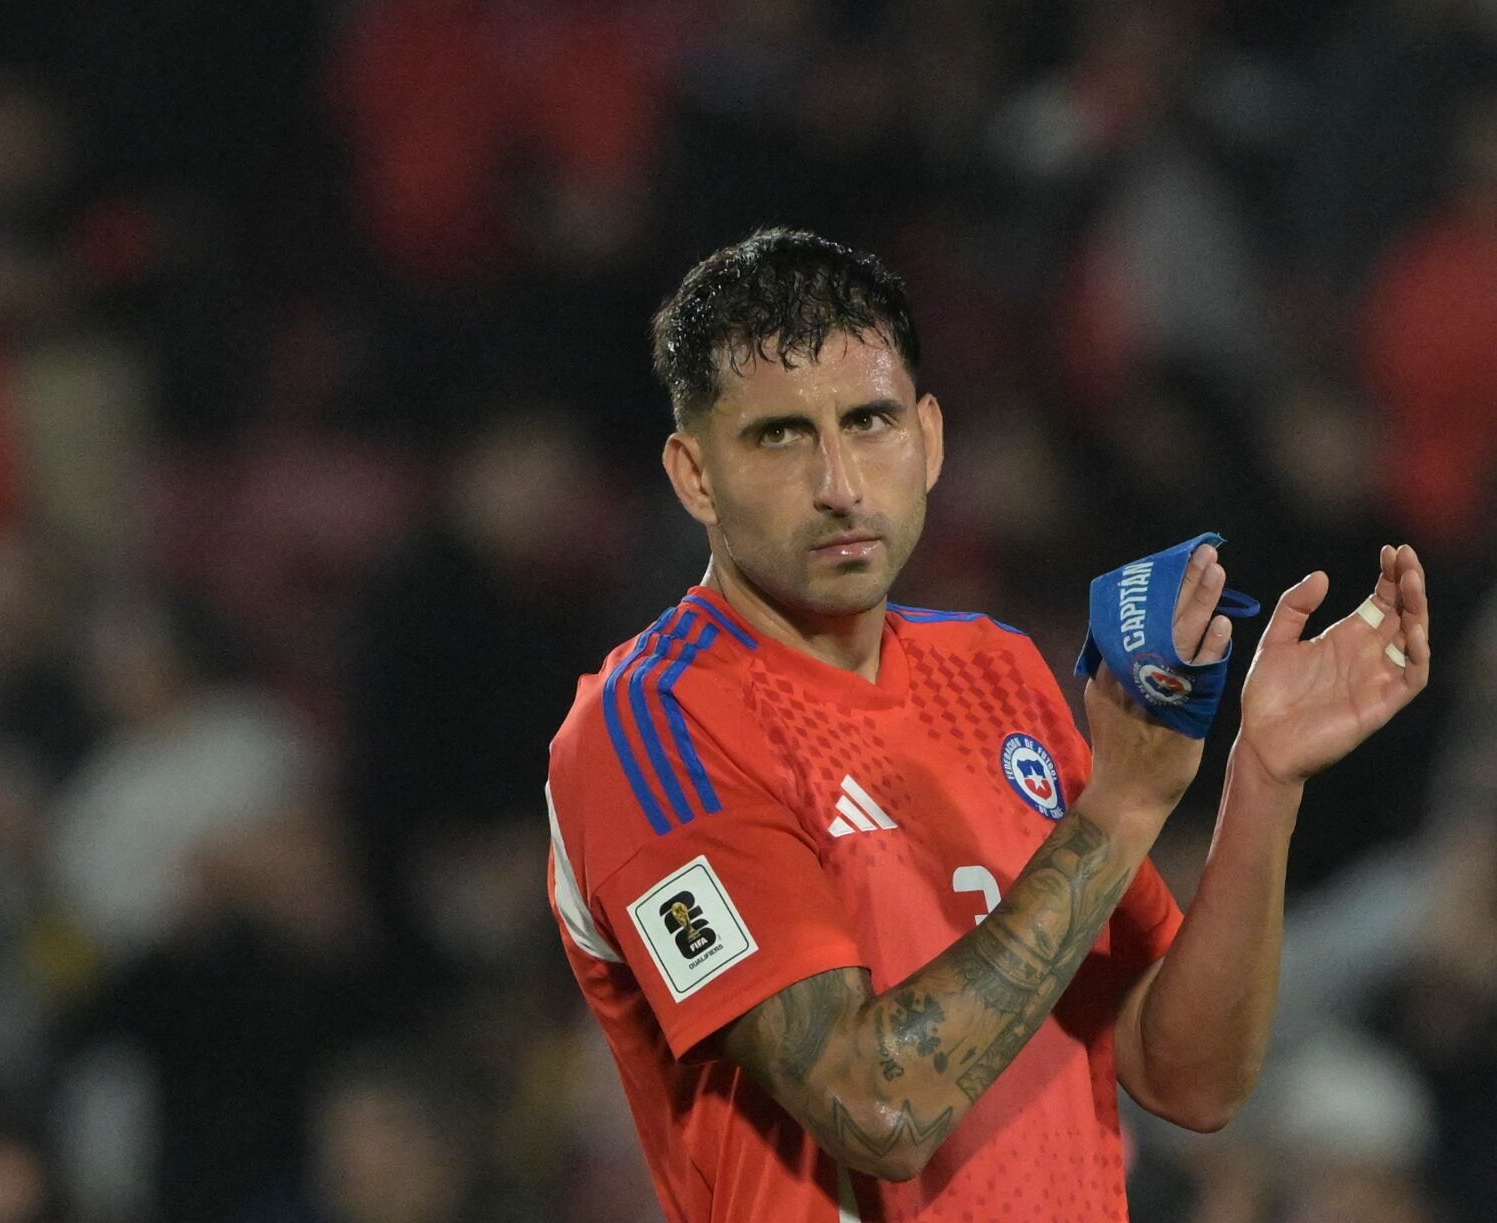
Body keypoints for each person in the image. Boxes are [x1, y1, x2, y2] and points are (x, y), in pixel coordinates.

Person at [544, 228, 1430, 1223]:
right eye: (780, 435)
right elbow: (872, 1104)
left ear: (927, 438)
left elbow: (1188, 1076)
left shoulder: (994, 670)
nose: (838, 481)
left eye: (869, 421)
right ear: (693, 472)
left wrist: (1261, 778)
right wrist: (1119, 807)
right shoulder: (651, 728)